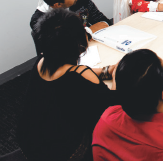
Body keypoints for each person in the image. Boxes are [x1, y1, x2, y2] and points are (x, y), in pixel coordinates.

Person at [17, 9, 117, 161]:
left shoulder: (41, 62)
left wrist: (106, 70)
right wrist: (117, 76)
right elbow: (113, 107)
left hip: (29, 142)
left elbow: (75, 72)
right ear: (76, 43)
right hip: (64, 153)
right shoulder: (80, 77)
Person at [30, 0, 112, 53]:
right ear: (58, 5)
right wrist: (89, 31)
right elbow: (63, 47)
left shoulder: (82, 0)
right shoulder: (39, 21)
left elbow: (104, 21)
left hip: (92, 47)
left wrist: (86, 34)